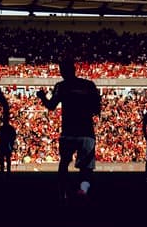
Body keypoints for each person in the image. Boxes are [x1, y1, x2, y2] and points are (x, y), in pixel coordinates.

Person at [38, 58, 101, 199]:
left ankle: (63, 193)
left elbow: (51, 106)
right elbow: (97, 108)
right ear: (74, 70)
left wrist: (42, 97)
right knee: (86, 167)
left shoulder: (61, 86)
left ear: (62, 72)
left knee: (64, 162)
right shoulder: (89, 85)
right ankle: (83, 190)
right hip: (86, 132)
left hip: (69, 132)